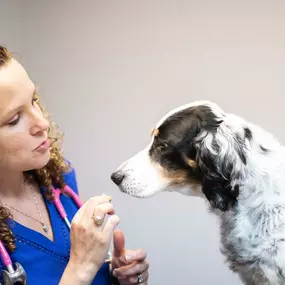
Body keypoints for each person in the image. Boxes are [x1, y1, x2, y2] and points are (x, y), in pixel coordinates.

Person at [0, 45, 149, 285]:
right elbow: (78, 271)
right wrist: (81, 268)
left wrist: (120, 278)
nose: (42, 122)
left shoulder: (60, 180)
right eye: (15, 119)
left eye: (34, 100)